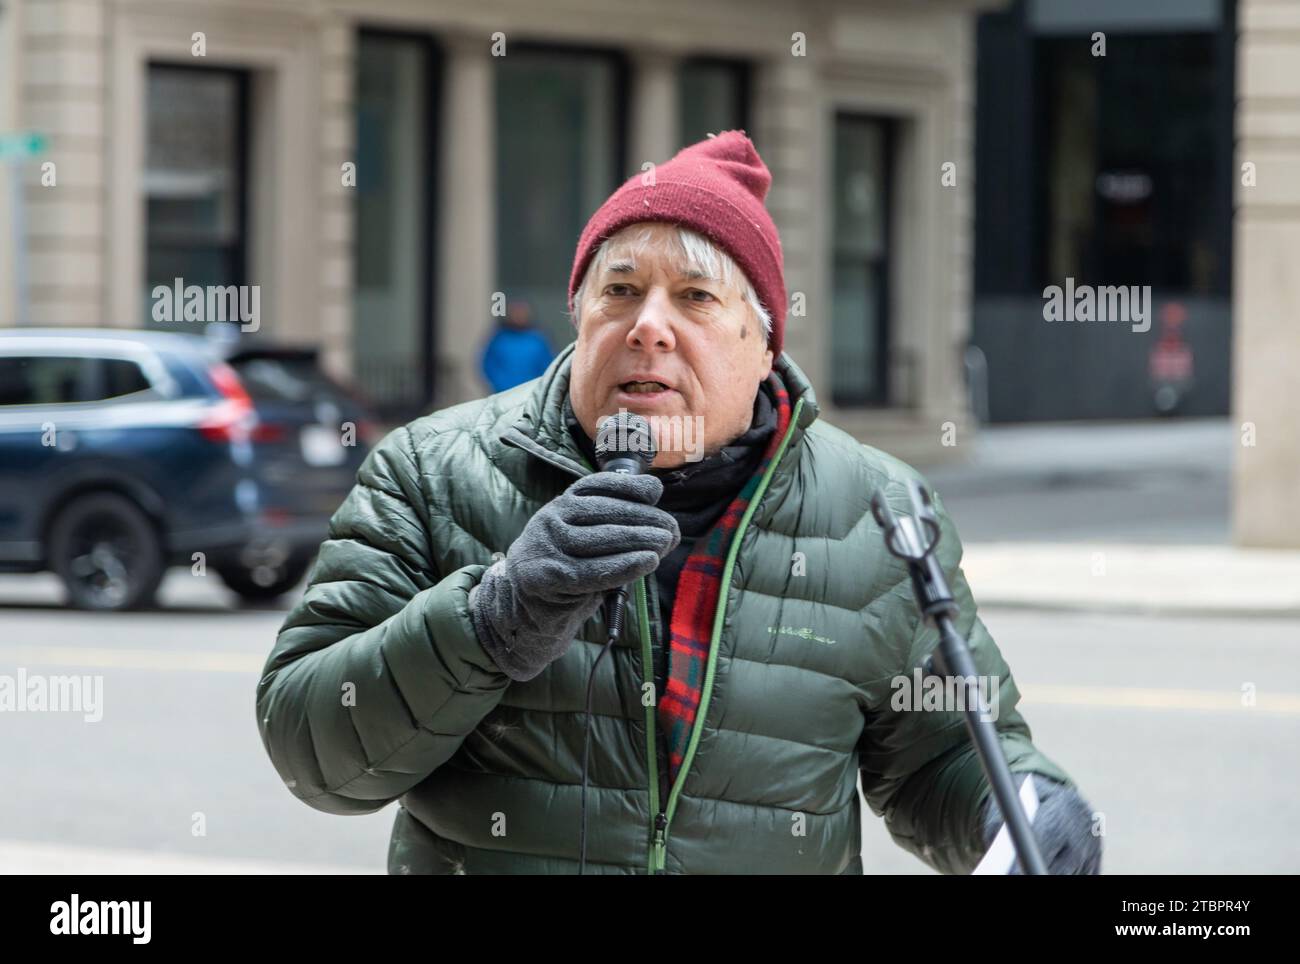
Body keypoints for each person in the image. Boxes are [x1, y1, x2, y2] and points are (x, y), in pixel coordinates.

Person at [255, 131, 1101, 875]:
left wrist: (1024, 810)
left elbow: (941, 756)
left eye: (695, 297)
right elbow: (309, 748)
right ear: (579, 318)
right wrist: (489, 622)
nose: (647, 326)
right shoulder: (433, 471)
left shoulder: (876, 510)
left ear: (765, 342)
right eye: (618, 292)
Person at [479, 300, 554, 392]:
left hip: (531, 392)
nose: (519, 316)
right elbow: (488, 365)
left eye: (522, 312)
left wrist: (538, 386)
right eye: (516, 312)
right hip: (502, 393)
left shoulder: (538, 339)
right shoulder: (499, 339)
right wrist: (498, 384)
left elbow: (548, 365)